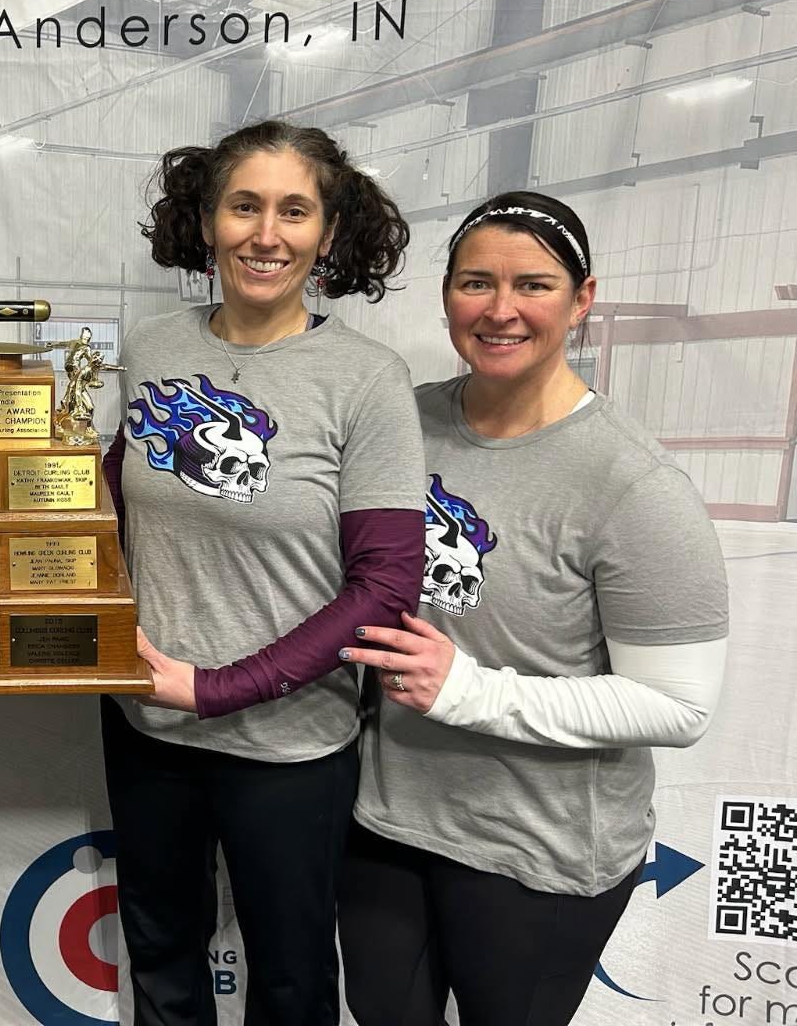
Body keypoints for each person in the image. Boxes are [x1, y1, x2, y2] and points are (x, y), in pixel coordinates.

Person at [338, 191, 729, 1026]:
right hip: (388, 820)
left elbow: (679, 705)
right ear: (448, 294)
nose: (501, 310)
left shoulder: (634, 483)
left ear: (582, 299)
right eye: (476, 282)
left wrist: (470, 692)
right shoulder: (402, 424)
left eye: (534, 285)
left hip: (538, 851)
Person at [103, 120, 426, 1025]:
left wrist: (216, 688)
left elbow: (385, 589)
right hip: (147, 723)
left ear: (329, 231)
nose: (266, 234)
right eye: (244, 206)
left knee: (290, 982)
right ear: (208, 219)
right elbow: (114, 503)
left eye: (294, 211)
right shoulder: (151, 347)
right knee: (161, 963)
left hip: (287, 746)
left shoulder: (366, 378)